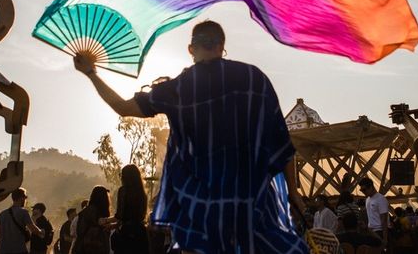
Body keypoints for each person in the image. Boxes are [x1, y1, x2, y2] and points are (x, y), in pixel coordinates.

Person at [75, 20, 308, 253]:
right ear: (221, 46)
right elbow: (280, 140)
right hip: (250, 205)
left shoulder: (178, 88)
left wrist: (90, 72)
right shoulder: (253, 79)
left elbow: (123, 107)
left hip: (198, 212)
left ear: (191, 49)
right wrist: (293, 192)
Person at [110, 165, 149, 254]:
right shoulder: (142, 193)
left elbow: (119, 216)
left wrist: (107, 222)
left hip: (126, 235)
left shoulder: (123, 191)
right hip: (140, 234)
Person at [0, 188, 44, 254]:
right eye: (25, 197)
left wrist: (0, 250)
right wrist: (41, 231)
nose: (25, 200)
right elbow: (33, 229)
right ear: (21, 198)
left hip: (4, 251)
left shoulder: (2, 214)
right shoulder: (23, 212)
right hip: (19, 250)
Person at [73, 186, 114, 254]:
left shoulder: (88, 210)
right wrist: (117, 219)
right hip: (89, 249)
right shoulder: (91, 210)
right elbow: (99, 221)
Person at [357, 177, 388, 247]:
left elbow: (384, 220)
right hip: (370, 231)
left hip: (379, 232)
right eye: (361, 190)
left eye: (364, 190)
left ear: (371, 187)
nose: (363, 192)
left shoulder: (381, 199)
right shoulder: (367, 200)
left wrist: (385, 239)